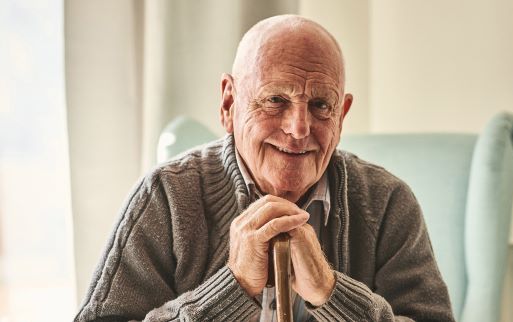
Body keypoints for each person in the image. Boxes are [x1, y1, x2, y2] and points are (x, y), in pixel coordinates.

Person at [75, 15, 454, 322]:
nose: (299, 128)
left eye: (321, 105)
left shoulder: (388, 202)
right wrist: (232, 287)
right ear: (228, 104)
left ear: (343, 115)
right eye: (275, 100)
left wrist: (331, 292)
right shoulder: (166, 197)